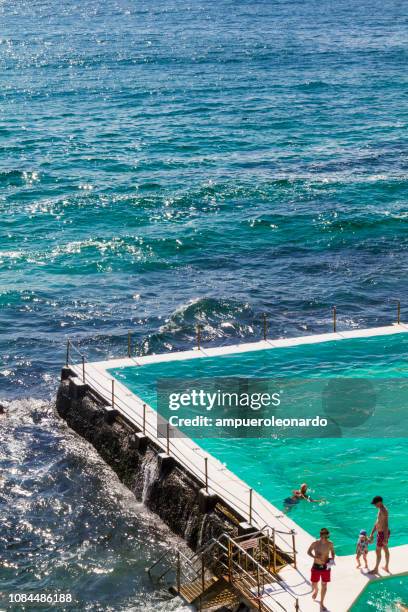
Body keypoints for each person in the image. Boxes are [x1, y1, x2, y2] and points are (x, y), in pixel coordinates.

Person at [307, 528, 335, 611]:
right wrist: (314, 556)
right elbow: (308, 551)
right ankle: (316, 590)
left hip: (326, 567)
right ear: (321, 535)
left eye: (327, 537)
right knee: (313, 583)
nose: (325, 538)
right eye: (324, 537)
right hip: (316, 566)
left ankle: (322, 603)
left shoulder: (330, 544)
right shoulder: (315, 544)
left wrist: (332, 558)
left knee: (324, 585)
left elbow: (333, 552)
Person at [369, 495, 390, 574]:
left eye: (375, 503)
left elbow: (386, 525)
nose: (374, 505)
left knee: (378, 551)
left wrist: (385, 538)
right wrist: (372, 533)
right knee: (385, 549)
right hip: (380, 533)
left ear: (380, 502)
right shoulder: (380, 509)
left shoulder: (384, 511)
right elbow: (377, 522)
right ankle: (386, 567)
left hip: (382, 534)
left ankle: (376, 569)